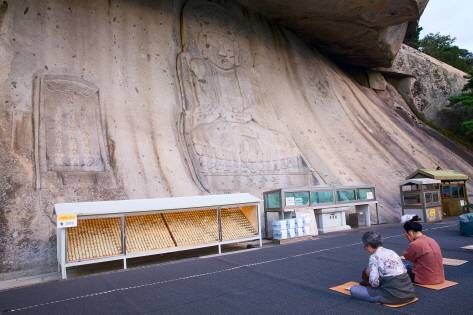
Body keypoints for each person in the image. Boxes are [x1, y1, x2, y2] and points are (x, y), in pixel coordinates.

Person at [350, 231, 416, 304]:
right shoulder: (391, 252)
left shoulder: (374, 257)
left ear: (368, 245)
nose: (364, 248)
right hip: (409, 293)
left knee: (354, 290)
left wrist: (370, 279)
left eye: (364, 245)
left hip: (394, 297)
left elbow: (374, 283)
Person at [403, 216, 445, 285]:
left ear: (410, 232)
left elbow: (407, 257)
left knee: (403, 266)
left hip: (425, 279)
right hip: (440, 277)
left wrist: (410, 241)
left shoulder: (415, 244)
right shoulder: (432, 240)